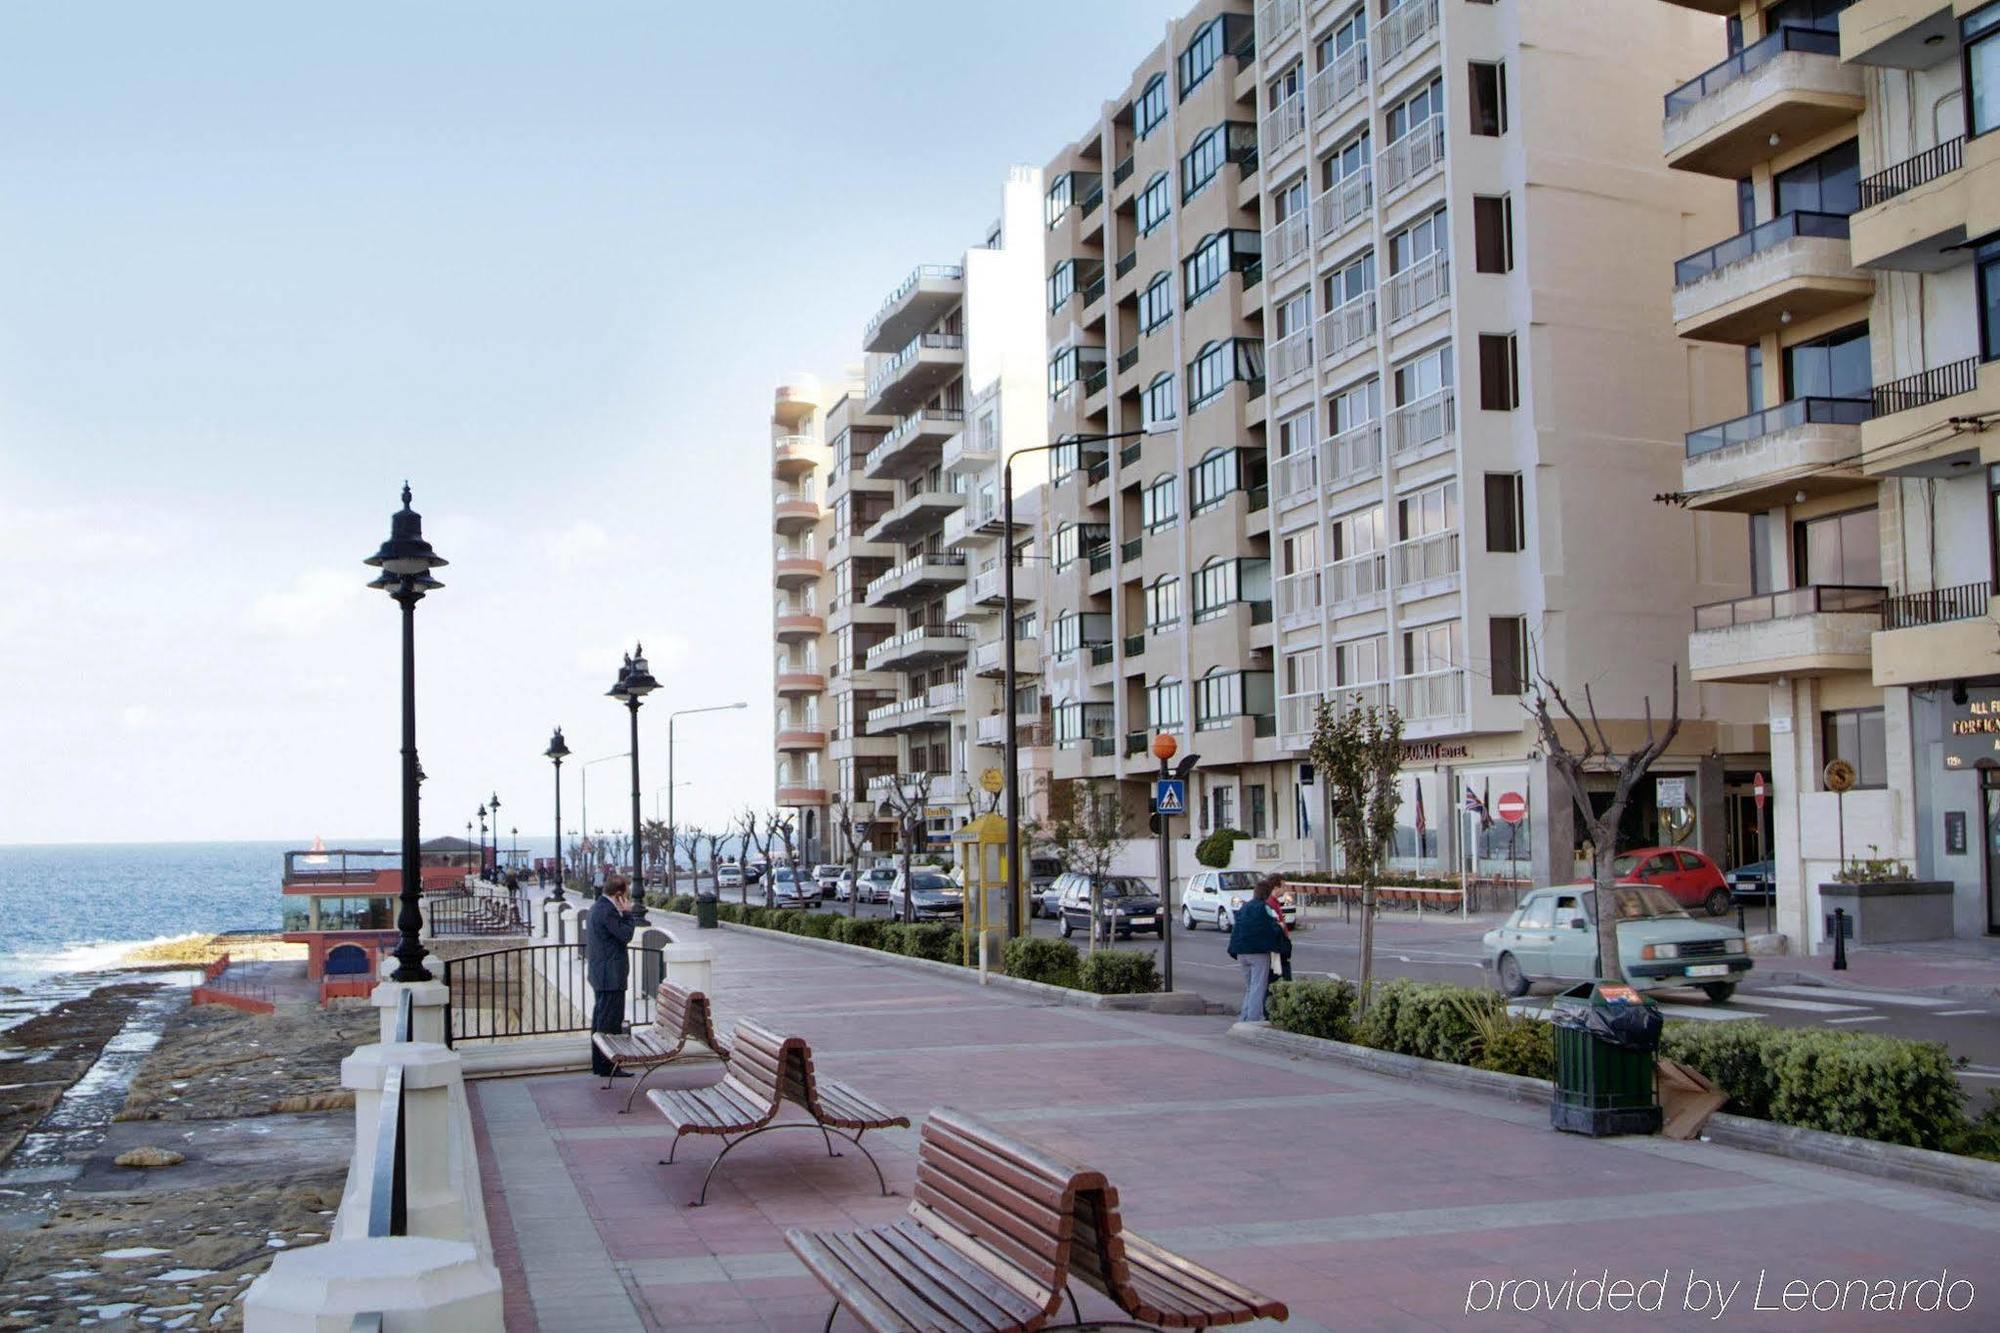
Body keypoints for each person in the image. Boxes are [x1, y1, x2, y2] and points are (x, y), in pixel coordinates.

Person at [586, 876, 638, 1078]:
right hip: (610, 976)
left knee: (601, 1021)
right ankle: (608, 1066)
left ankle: (600, 1065)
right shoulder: (607, 911)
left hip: (602, 974)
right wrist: (627, 914)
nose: (627, 897)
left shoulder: (597, 907)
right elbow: (626, 935)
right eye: (626, 894)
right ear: (618, 894)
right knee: (609, 1023)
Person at [1227, 878, 1290, 1023]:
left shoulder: (1245, 907)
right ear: (1267, 894)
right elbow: (1270, 928)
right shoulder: (1264, 908)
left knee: (1250, 987)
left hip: (1241, 952)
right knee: (1258, 987)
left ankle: (1244, 1017)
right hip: (1258, 953)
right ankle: (1253, 1019)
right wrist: (1279, 927)